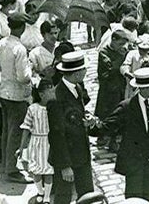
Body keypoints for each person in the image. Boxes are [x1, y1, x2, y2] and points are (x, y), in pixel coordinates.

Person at [99, 67, 149, 203]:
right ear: (143, 88)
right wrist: (92, 125)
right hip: (134, 163)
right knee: (134, 199)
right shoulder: (126, 107)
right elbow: (106, 127)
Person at [47, 51, 97, 204]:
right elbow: (56, 135)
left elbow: (76, 113)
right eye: (83, 70)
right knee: (63, 198)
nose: (85, 72)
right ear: (76, 73)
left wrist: (88, 119)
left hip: (81, 154)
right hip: (66, 157)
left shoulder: (77, 87)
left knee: (87, 195)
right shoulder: (56, 97)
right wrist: (65, 166)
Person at [0, 12, 34, 183]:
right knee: (16, 132)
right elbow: (23, 77)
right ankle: (12, 169)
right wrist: (30, 68)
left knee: (7, 130)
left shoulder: (2, 42)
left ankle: (6, 163)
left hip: (4, 91)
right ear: (22, 27)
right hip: (17, 94)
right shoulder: (19, 48)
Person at [18, 81, 55, 204]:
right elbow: (26, 128)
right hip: (36, 143)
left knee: (48, 170)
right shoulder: (32, 109)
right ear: (42, 94)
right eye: (50, 92)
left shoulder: (54, 108)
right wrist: (22, 147)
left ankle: (47, 196)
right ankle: (40, 191)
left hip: (49, 142)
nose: (53, 94)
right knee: (36, 170)